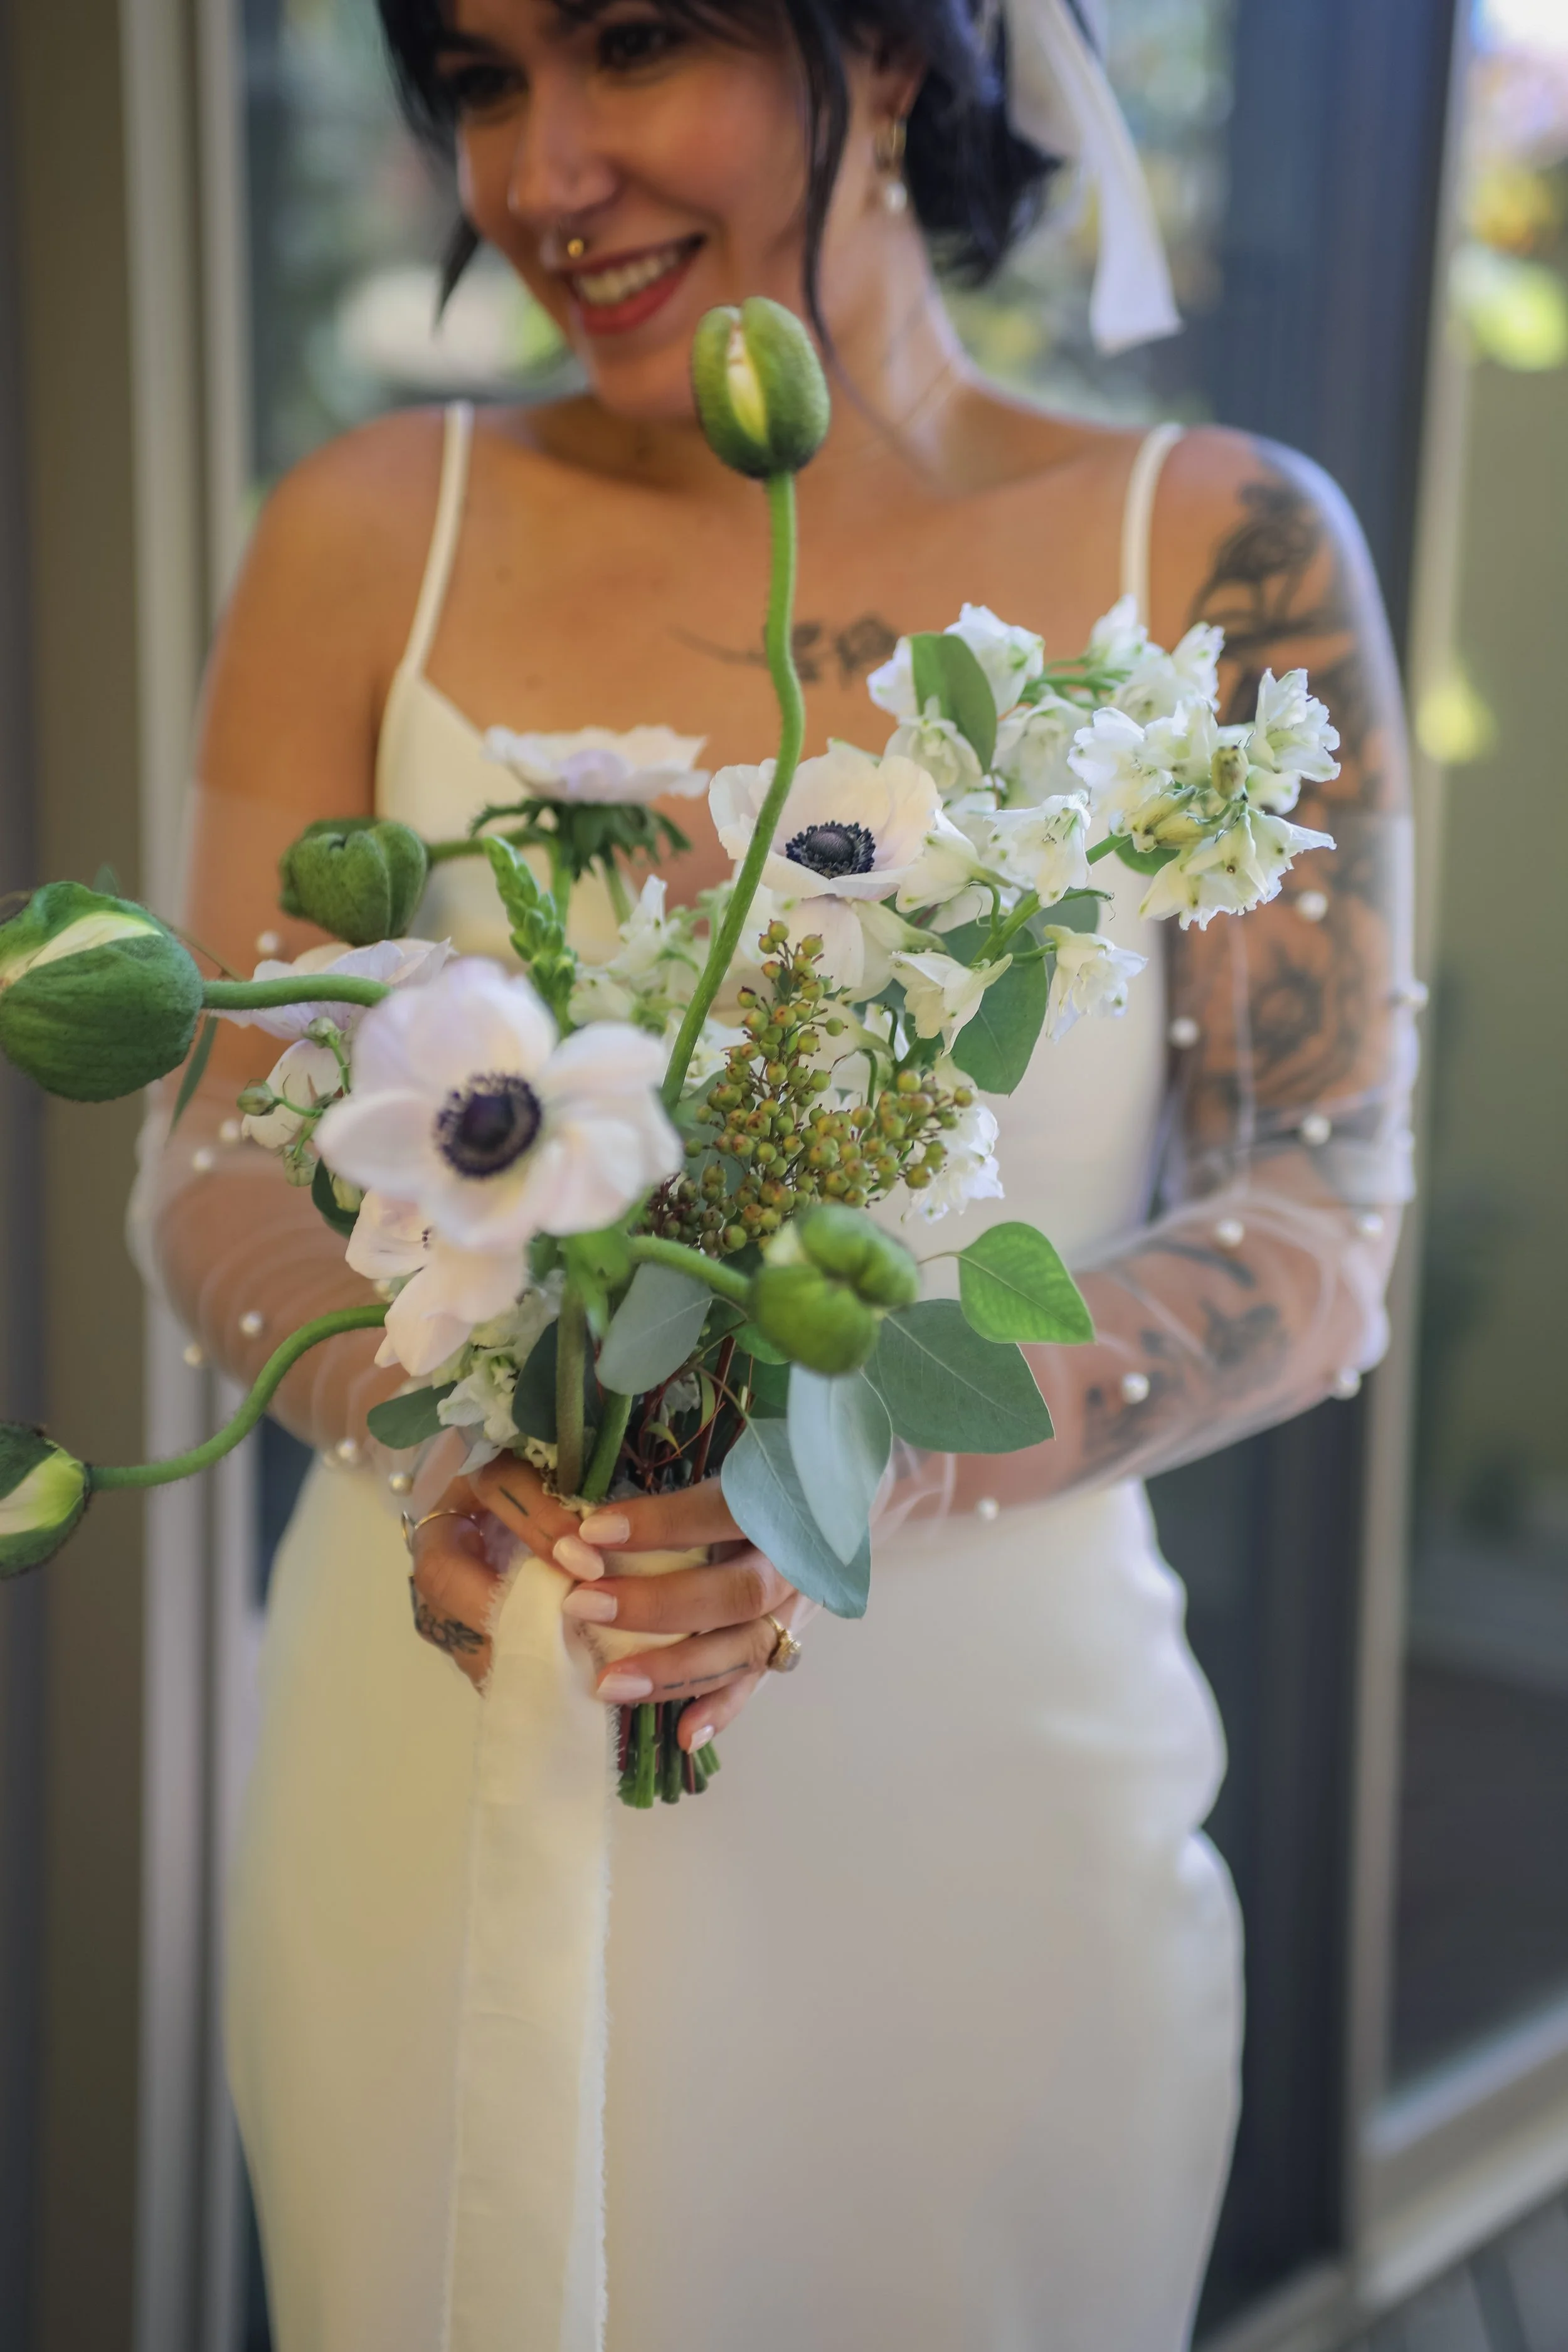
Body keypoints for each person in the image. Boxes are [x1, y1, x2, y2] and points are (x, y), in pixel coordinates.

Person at [142, 1, 1417, 2344]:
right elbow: (212, 1148)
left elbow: (1316, 1210)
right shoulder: (363, 530)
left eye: (631, 41)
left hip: (984, 1806)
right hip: (445, 1722)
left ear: (900, 53)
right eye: (484, 77)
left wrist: (846, 1476)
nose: (541, 174)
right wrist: (441, 1442)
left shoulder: (1219, 546)